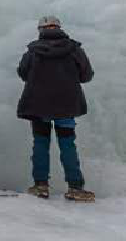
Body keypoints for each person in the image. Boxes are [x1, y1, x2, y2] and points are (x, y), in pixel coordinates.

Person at [17, 15, 95, 201]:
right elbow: (86, 75)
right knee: (67, 144)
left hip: (38, 105)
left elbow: (23, 73)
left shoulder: (33, 51)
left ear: (41, 30)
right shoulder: (74, 49)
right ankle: (75, 187)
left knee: (41, 143)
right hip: (66, 105)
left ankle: (40, 185)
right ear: (59, 28)